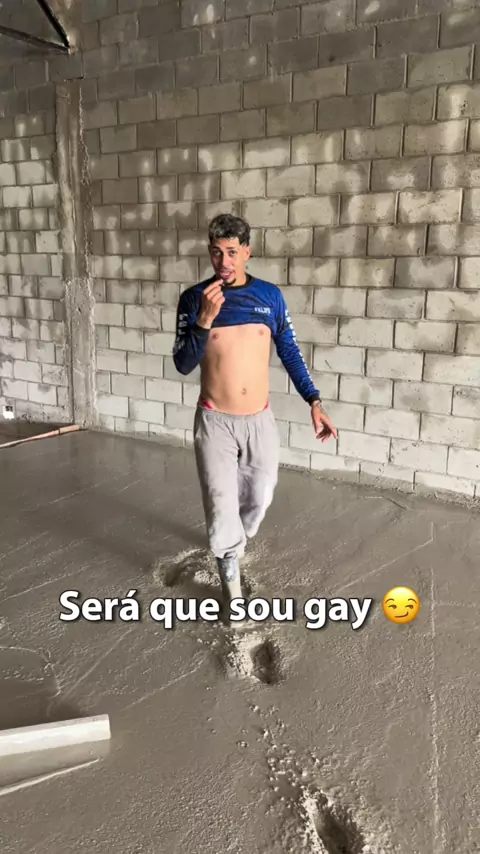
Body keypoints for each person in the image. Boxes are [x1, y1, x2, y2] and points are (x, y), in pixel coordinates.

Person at [172, 214, 337, 622]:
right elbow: (182, 363)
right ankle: (230, 581)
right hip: (215, 421)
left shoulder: (269, 297)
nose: (223, 261)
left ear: (247, 251)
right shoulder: (195, 299)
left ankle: (237, 538)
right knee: (220, 503)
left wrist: (314, 401)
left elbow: (290, 351)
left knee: (259, 497)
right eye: (216, 252)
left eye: (232, 252)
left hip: (259, 420)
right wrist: (204, 321)